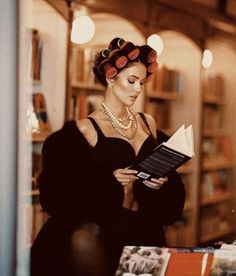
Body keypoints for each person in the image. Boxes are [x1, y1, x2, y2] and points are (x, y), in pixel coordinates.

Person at [30, 37, 186, 276]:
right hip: (103, 233)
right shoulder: (84, 130)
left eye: (142, 83)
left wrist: (161, 183)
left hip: (144, 230)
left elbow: (167, 181)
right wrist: (108, 180)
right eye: (131, 81)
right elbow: (61, 193)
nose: (137, 89)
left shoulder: (148, 122)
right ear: (111, 79)